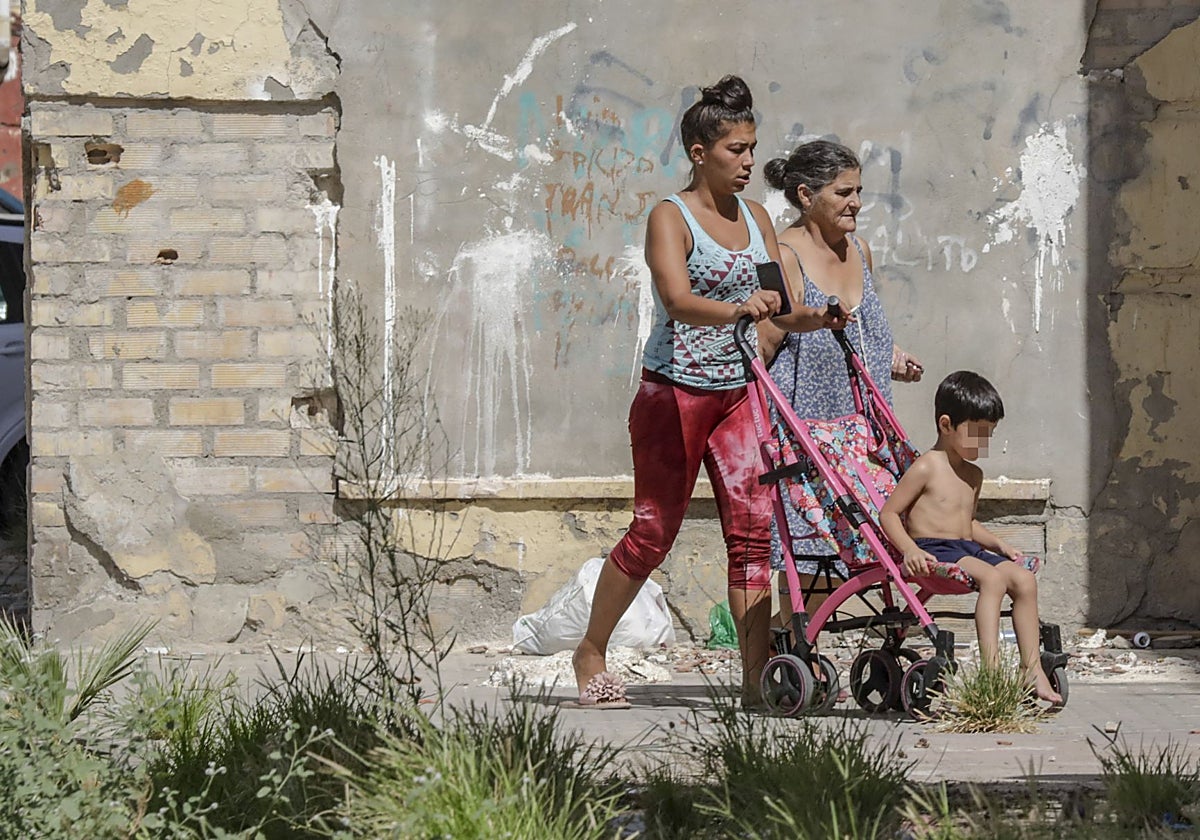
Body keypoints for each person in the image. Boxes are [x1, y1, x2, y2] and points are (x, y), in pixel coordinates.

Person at [571, 76, 846, 709]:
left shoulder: (757, 219)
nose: (750, 163)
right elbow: (676, 299)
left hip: (738, 393)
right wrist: (737, 311)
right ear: (699, 152)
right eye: (736, 151)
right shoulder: (670, 216)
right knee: (652, 533)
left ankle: (754, 681)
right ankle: (591, 650)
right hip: (673, 394)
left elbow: (780, 305)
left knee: (752, 535)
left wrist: (815, 318)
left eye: (753, 149)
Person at [757, 140, 922, 605]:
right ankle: (792, 645)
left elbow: (865, 328)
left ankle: (800, 644)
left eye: (858, 191)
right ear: (807, 195)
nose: (856, 203)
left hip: (865, 431)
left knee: (876, 538)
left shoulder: (860, 250)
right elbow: (766, 345)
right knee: (816, 550)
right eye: (843, 192)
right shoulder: (784, 257)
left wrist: (893, 356)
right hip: (810, 429)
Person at [878, 371, 1063, 704]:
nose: (983, 445)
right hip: (933, 550)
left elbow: (968, 522)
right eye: (977, 435)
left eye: (988, 436)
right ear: (946, 425)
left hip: (967, 549)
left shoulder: (973, 474)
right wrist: (908, 550)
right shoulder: (926, 467)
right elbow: (889, 513)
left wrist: (997, 543)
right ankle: (990, 674)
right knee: (993, 579)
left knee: (1023, 579)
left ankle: (1031, 669)